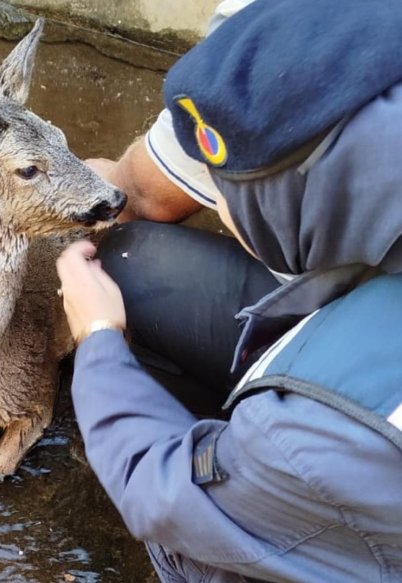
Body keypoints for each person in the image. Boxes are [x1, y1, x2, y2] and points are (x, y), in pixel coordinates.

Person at [56, 0, 402, 582]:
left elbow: (160, 492)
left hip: (352, 437)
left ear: (309, 204)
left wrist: (98, 340)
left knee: (208, 548)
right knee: (130, 266)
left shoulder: (320, 427)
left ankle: (259, 508)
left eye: (227, 193)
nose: (212, 199)